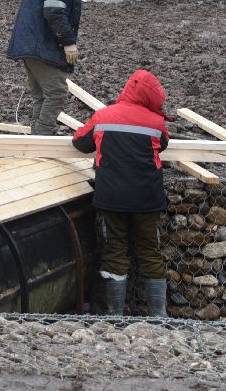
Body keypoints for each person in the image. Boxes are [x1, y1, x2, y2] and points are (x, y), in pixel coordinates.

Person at [72, 68, 171, 318]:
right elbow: (164, 144)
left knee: (115, 251)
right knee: (150, 251)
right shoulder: (156, 123)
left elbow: (79, 143)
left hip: (111, 199)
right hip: (148, 200)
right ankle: (158, 316)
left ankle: (116, 316)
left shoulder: (103, 116)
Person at [5, 0, 92, 135]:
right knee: (57, 93)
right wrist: (69, 42)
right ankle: (44, 135)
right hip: (40, 44)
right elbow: (54, 11)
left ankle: (38, 137)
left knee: (41, 95)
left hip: (29, 41)